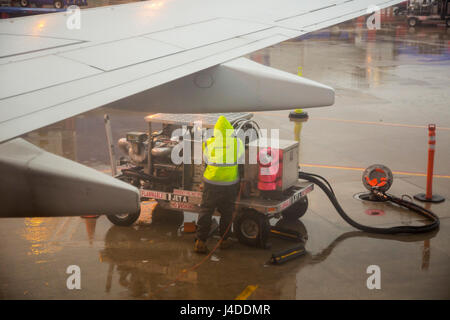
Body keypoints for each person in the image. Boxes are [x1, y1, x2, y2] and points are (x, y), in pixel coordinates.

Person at [194, 116, 244, 253]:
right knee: (227, 212)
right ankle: (224, 240)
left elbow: (205, 160)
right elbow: (241, 158)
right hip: (229, 184)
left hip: (211, 183)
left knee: (206, 211)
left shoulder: (208, 143)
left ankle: (200, 241)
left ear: (215, 131)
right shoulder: (237, 143)